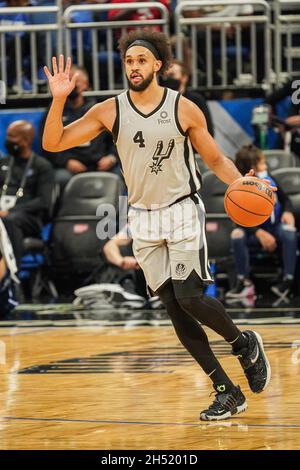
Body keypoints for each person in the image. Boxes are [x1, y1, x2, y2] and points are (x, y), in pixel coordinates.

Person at [42, 30, 271, 421]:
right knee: (173, 307)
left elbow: (215, 160)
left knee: (190, 297)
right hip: (143, 217)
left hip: (181, 210)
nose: (134, 67)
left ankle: (242, 342)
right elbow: (54, 143)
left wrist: (240, 183)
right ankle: (226, 390)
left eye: (141, 61)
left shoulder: (184, 108)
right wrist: (59, 99)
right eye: (129, 61)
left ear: (158, 65)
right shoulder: (109, 111)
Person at [226, 144, 297, 300]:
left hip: (275, 227)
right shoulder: (242, 186)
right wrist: (258, 232)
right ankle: (244, 283)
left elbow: (285, 200)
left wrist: (287, 211)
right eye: (262, 162)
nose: (266, 165)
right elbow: (237, 218)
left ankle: (288, 281)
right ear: (253, 166)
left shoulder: (268, 178)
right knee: (237, 234)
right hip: (252, 232)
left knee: (290, 232)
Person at [39, 65, 118, 189]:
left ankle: (124, 209)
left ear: (85, 84)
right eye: (68, 81)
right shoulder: (55, 109)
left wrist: (111, 157)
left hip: (100, 165)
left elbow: (117, 137)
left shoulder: (98, 108)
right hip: (69, 167)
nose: (71, 85)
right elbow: (46, 144)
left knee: (119, 177)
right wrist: (66, 162)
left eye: (75, 81)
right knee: (60, 178)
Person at [0, 120, 54, 278]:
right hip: (2, 215)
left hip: (28, 218)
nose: (8, 140)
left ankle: (12, 273)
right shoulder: (3, 163)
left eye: (12, 137)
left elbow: (44, 201)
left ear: (26, 140)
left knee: (10, 220)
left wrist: (10, 211)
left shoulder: (42, 166)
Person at [161, 59, 214, 137]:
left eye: (172, 75)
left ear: (184, 78)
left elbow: (207, 131)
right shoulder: (159, 100)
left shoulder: (195, 100)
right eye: (165, 76)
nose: (167, 79)